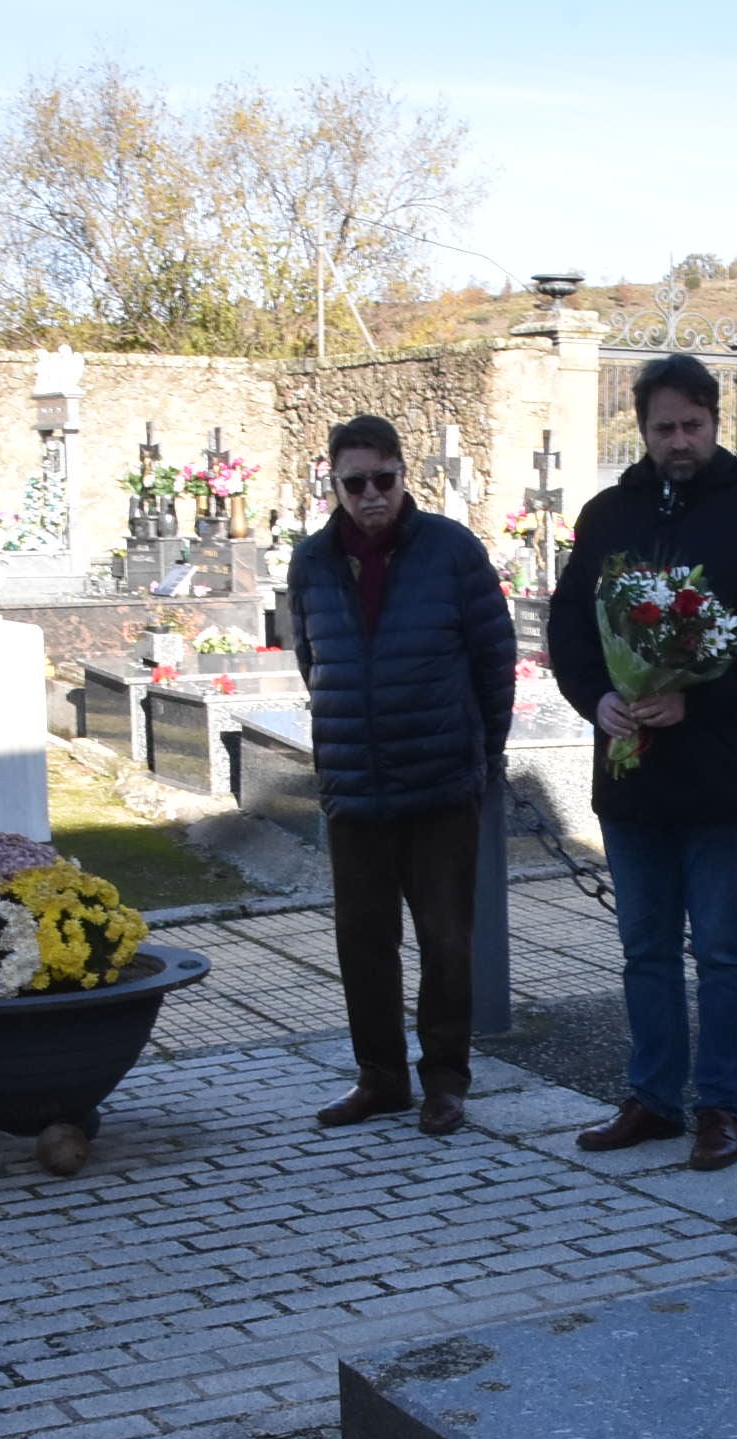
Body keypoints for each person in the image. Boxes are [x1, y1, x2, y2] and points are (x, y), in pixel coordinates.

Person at [547, 355, 737, 1171]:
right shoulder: (608, 515)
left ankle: (719, 1107)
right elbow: (570, 632)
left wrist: (697, 700)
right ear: (643, 430)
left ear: (715, 423)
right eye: (664, 428)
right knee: (645, 948)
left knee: (724, 947)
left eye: (692, 425)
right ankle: (654, 1097)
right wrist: (600, 700)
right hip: (633, 771)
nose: (679, 441)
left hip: (722, 772)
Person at [290, 413, 517, 1137]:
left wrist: (483, 755)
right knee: (362, 942)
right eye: (353, 484)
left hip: (441, 782)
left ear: (402, 475)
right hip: (354, 785)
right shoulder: (312, 562)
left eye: (382, 480)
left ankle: (445, 1080)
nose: (370, 496)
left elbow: (493, 660)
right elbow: (313, 660)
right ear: (334, 484)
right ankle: (380, 1078)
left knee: (447, 941)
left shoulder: (452, 552)